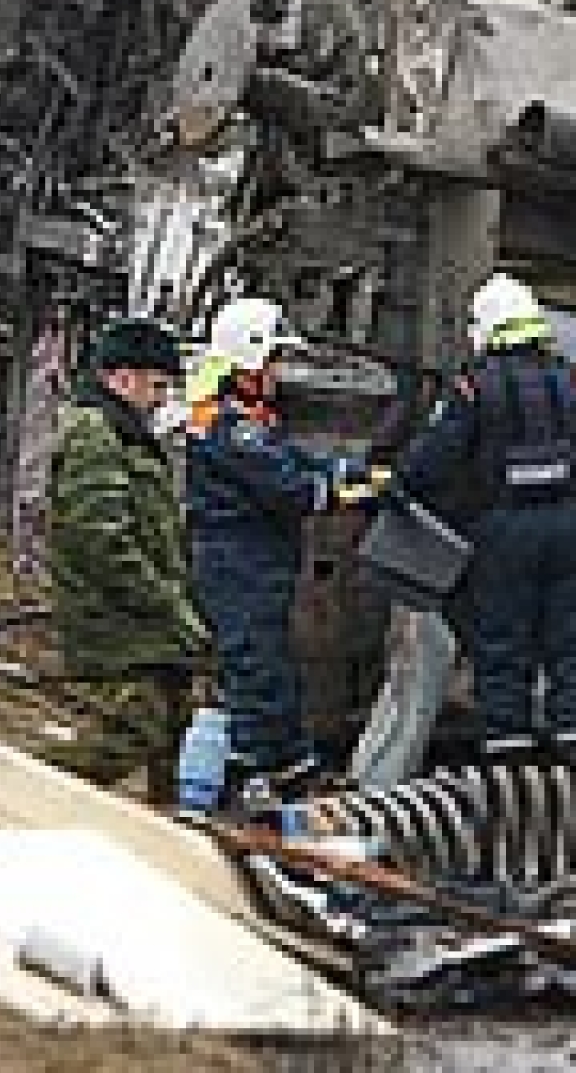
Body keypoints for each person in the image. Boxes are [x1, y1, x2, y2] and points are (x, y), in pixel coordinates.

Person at [395, 274, 576, 763]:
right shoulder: (575, 379)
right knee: (571, 643)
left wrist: (397, 485)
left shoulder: (472, 389)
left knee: (501, 643)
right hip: (571, 526)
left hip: (503, 531)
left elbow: (430, 464)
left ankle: (508, 756)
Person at [186, 296, 365, 801]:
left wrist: (341, 472)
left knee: (267, 667)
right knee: (255, 670)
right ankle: (249, 781)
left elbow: (290, 461)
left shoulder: (249, 419)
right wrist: (336, 491)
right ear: (249, 360)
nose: (280, 371)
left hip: (254, 562)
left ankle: (279, 766)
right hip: (239, 563)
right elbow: (285, 486)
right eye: (275, 360)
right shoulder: (230, 426)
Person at [45, 316, 208, 794]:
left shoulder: (126, 433)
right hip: (117, 623)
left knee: (170, 736)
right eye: (156, 386)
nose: (160, 399)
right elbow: (101, 538)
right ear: (122, 378)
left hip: (144, 622)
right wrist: (165, 603)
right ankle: (18, 791)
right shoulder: (96, 436)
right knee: (126, 738)